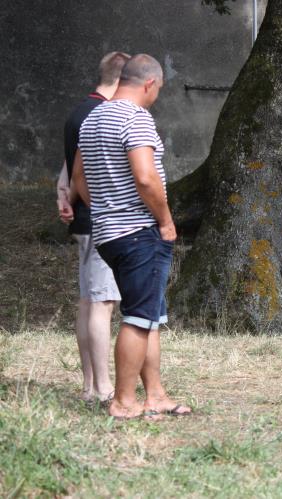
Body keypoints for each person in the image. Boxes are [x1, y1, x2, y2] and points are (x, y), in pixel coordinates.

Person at [71, 54, 192, 420]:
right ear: (149, 84)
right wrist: (166, 220)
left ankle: (154, 394)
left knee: (151, 314)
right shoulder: (136, 117)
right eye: (158, 91)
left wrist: (106, 210)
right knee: (139, 317)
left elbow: (78, 177)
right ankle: (124, 401)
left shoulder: (94, 118)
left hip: (109, 235)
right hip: (139, 232)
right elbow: (145, 177)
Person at [56, 51, 130, 404]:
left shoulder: (76, 113)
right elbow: (82, 171)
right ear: (120, 80)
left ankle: (89, 385)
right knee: (102, 304)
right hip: (100, 221)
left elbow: (69, 166)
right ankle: (102, 388)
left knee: (88, 302)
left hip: (85, 220)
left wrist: (65, 197)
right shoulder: (102, 113)